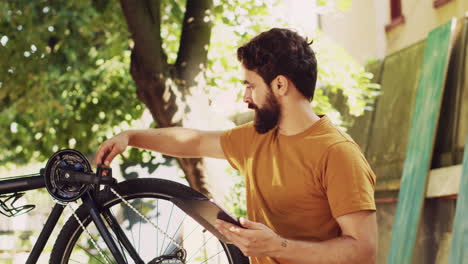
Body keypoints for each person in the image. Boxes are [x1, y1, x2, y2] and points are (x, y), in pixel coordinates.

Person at [95, 28, 377, 264]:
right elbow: (194, 140)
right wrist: (131, 137)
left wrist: (276, 246)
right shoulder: (257, 138)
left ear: (280, 85)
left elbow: (363, 250)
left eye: (250, 85)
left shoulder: (337, 152)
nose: (245, 97)